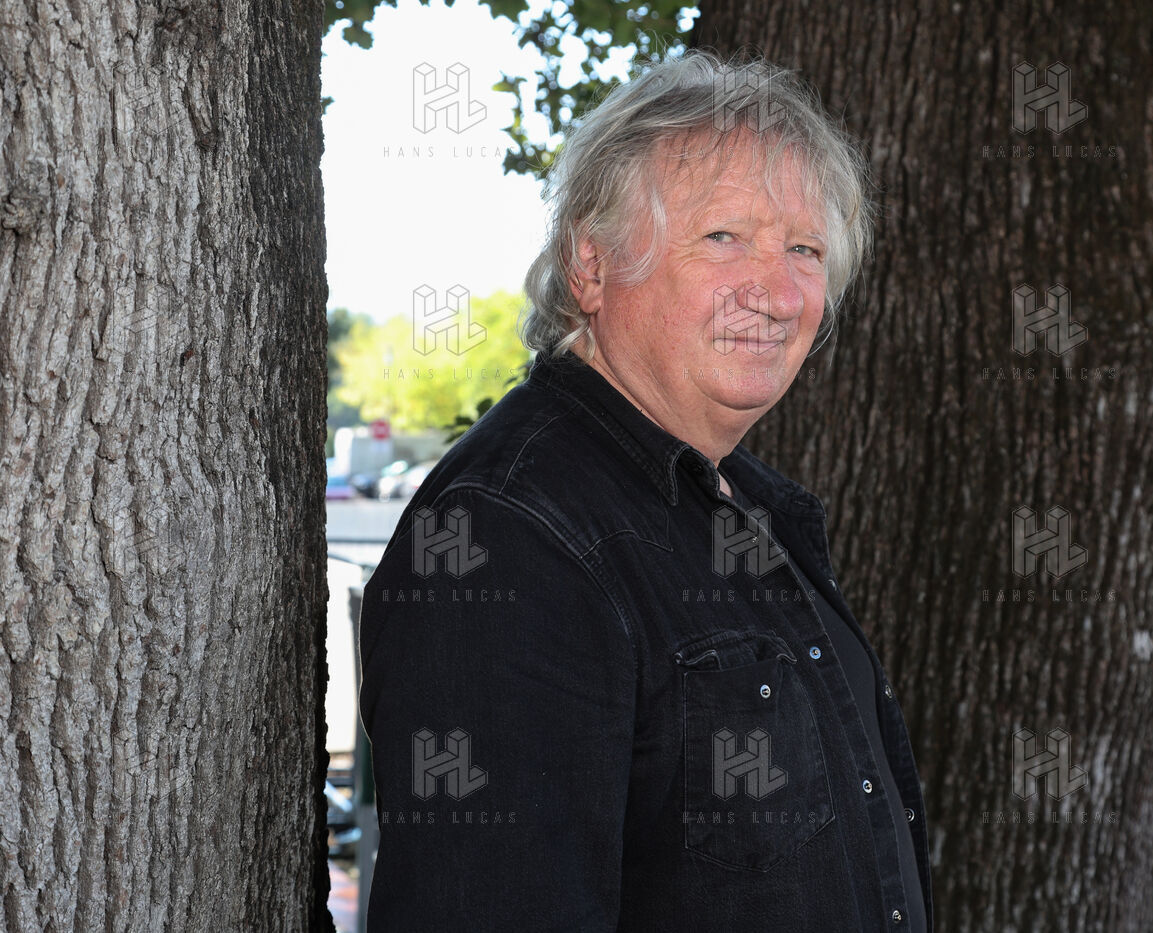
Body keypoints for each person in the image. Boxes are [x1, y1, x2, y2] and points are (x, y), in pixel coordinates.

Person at [357, 48, 933, 931]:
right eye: (724, 237)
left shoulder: (746, 506)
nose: (778, 293)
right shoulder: (509, 536)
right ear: (591, 266)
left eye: (805, 249)